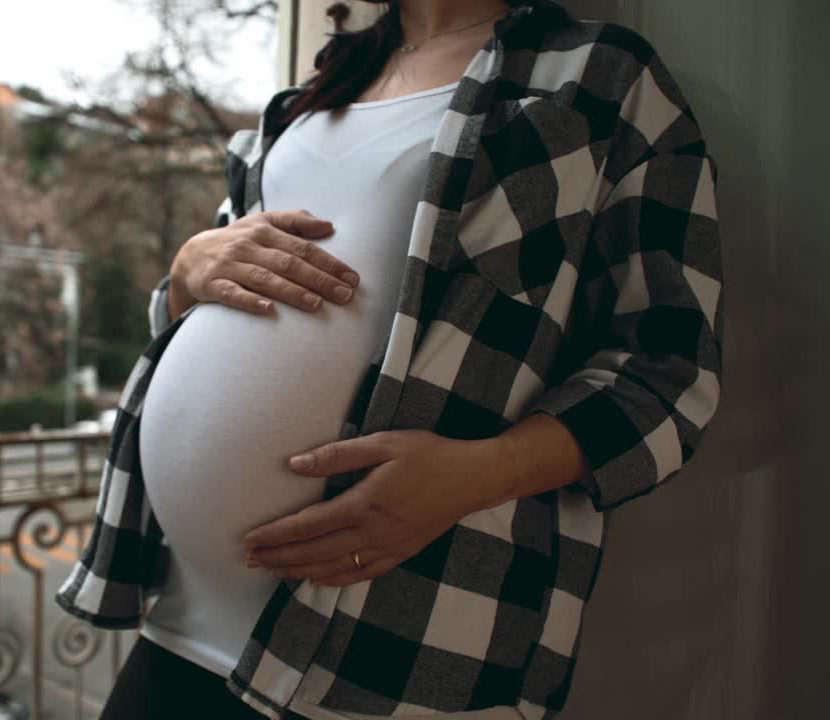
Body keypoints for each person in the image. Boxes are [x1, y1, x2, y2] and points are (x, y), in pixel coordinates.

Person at [58, 1, 723, 718]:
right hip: (183, 625)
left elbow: (671, 373)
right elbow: (192, 321)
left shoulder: (600, 78)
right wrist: (187, 270)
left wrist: (476, 475)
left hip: (394, 650)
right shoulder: (312, 94)